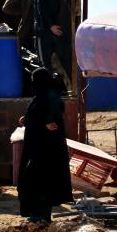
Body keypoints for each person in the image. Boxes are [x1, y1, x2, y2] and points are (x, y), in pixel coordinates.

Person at [15, 68, 73, 222]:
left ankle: (42, 215)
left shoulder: (51, 95)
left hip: (47, 149)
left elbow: (54, 109)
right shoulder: (40, 96)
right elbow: (37, 112)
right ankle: (38, 214)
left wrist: (47, 121)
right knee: (34, 179)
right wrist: (26, 118)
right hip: (37, 147)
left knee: (41, 180)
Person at [32, 0, 66, 75]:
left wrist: (50, 26)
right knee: (56, 59)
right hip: (55, 32)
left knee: (43, 62)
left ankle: (46, 86)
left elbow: (42, 13)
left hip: (43, 33)